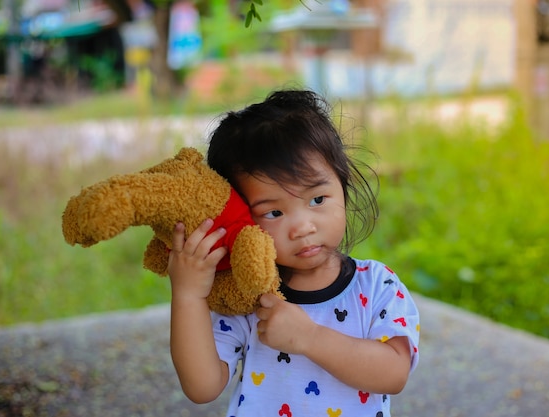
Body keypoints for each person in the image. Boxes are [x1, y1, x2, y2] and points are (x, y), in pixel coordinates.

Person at [167, 89, 420, 416]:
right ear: (240, 217)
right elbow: (202, 387)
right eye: (273, 213)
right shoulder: (248, 297)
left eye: (317, 200)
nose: (302, 227)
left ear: (341, 185)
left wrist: (310, 338)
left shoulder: (375, 286)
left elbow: (394, 373)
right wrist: (188, 296)